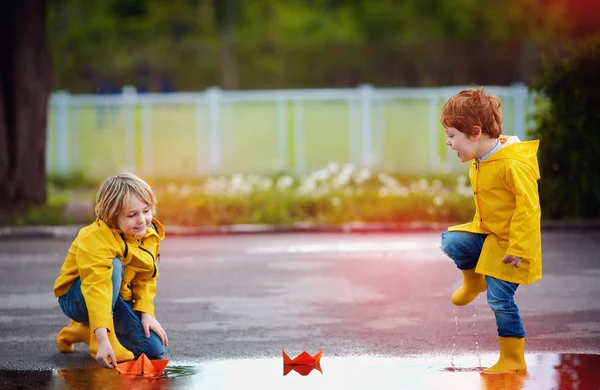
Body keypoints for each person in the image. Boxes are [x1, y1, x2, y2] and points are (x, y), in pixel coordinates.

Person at [439, 88, 542, 374]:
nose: (448, 143)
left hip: (512, 247)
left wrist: (518, 249)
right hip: (490, 236)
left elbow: (528, 210)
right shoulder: (480, 160)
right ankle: (474, 281)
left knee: (499, 299)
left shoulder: (512, 165)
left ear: (474, 132)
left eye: (451, 135)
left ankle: (513, 358)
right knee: (452, 241)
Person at [54, 172, 169, 368]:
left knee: (154, 348)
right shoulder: (95, 237)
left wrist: (146, 313)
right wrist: (103, 338)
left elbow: (146, 277)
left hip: (113, 298)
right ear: (112, 216)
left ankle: (82, 330)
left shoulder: (148, 236)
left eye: (146, 210)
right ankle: (96, 333)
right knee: (114, 266)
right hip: (77, 298)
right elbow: (96, 287)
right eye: (132, 215)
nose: (142, 220)